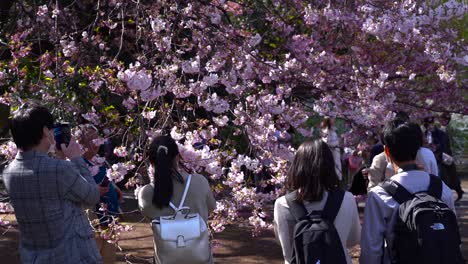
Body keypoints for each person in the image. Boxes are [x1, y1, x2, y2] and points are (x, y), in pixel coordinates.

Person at [2, 103, 101, 263]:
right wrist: (76, 159)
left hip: (33, 256)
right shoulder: (59, 170)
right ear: (45, 131)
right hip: (70, 256)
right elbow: (92, 196)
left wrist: (62, 158)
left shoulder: (8, 172)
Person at [360, 120, 455, 264]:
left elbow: (371, 249)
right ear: (419, 148)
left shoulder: (379, 195)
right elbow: (453, 237)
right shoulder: (442, 188)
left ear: (386, 151)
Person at [274, 140, 361, 264]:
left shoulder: (282, 204)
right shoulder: (347, 199)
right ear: (330, 166)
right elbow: (353, 239)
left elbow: (283, 243)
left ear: (297, 166)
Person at [137, 135, 216, 263]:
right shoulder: (199, 182)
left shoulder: (146, 193)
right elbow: (211, 208)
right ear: (178, 157)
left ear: (151, 163)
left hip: (166, 258)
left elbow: (149, 215)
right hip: (200, 257)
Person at [78, 124, 122, 264]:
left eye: (97, 138)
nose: (95, 142)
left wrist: (114, 187)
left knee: (109, 258)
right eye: (90, 139)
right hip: (91, 219)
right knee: (93, 257)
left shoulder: (100, 160)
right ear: (80, 142)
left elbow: (107, 177)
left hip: (109, 216)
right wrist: (92, 189)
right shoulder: (76, 164)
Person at [424, 116, 463, 201]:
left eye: (431, 124)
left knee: (446, 176)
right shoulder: (426, 133)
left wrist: (436, 148)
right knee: (440, 176)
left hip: (442, 157)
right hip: (432, 157)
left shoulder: (440, 133)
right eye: (428, 124)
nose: (430, 126)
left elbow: (443, 144)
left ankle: (457, 191)